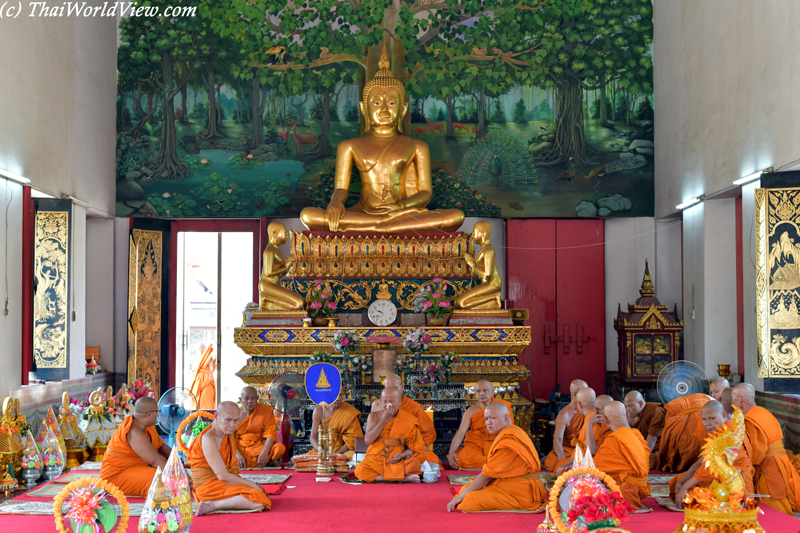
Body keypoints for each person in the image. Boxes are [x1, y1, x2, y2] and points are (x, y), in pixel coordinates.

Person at [299, 41, 463, 235]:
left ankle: (382, 226)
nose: (384, 109)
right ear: (364, 109)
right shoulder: (349, 146)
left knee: (455, 216)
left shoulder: (417, 146)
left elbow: (425, 193)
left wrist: (400, 208)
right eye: (376, 102)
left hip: (401, 214)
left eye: (392, 102)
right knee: (308, 215)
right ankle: (382, 227)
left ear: (402, 109)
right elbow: (341, 189)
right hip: (363, 213)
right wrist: (335, 202)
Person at [447, 403, 547, 512]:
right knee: (466, 489)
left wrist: (461, 497)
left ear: (505, 418)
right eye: (486, 419)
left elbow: (486, 476)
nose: (488, 422)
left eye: (493, 418)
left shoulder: (509, 439)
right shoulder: (510, 432)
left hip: (520, 493)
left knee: (469, 501)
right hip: (509, 484)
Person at [188, 401, 271, 515]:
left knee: (261, 494)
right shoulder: (208, 438)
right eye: (228, 420)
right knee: (259, 498)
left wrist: (250, 485)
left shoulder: (227, 433)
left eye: (236, 420)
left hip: (222, 482)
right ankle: (212, 504)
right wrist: (251, 484)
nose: (232, 425)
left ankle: (222, 502)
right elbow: (223, 476)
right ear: (216, 416)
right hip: (208, 487)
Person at [669, 400, 754, 505]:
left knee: (697, 498)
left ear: (724, 415)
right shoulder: (717, 434)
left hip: (736, 481)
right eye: (704, 419)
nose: (707, 423)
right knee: (678, 482)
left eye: (712, 418)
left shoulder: (730, 433)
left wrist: (685, 486)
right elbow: (701, 462)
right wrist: (682, 482)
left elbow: (710, 469)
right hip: (717, 477)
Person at [732, 383, 800, 514]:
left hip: (769, 466)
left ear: (739, 400)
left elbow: (757, 455)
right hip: (782, 461)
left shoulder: (750, 419)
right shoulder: (764, 412)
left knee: (773, 510)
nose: (732, 403)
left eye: (733, 398)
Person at [100, 397, 172, 496]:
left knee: (169, 472)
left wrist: (176, 461)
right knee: (159, 479)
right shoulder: (133, 431)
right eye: (157, 411)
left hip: (136, 468)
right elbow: (154, 460)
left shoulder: (148, 427)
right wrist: (174, 475)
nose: (158, 414)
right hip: (117, 476)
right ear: (149, 414)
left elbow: (160, 446)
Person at [355, 389, 423, 483]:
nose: (388, 405)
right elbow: (368, 440)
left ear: (399, 401)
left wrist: (402, 455)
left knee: (413, 465)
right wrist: (384, 419)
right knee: (361, 470)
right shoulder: (374, 416)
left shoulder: (408, 419)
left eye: (391, 401)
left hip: (396, 459)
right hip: (376, 458)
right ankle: (403, 478)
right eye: (385, 401)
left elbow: (413, 447)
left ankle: (392, 475)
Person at [592, 401, 651, 509]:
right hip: (640, 488)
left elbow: (595, 467)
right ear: (627, 415)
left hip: (624, 491)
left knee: (582, 488)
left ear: (606, 420)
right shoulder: (637, 434)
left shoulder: (613, 439)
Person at [371, 373, 440, 465]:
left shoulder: (413, 408)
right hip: (381, 451)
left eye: (395, 388)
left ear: (402, 386)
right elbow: (370, 436)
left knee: (432, 460)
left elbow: (427, 437)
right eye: (388, 388)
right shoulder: (377, 405)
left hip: (407, 451)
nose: (391, 391)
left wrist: (407, 453)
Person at [447, 380, 514, 469]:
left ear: (492, 392)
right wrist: (451, 452)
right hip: (476, 445)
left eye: (485, 390)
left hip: (495, 443)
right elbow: (460, 433)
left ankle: (492, 464)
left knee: (507, 458)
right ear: (475, 393)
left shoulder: (502, 407)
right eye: (478, 391)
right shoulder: (471, 411)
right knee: (457, 461)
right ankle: (492, 466)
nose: (481, 394)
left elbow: (510, 430)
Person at [555, 393, 613, 474]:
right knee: (562, 466)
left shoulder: (596, 422)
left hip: (601, 466)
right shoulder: (609, 426)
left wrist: (589, 424)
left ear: (596, 410)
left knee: (565, 471)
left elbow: (592, 451)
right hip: (596, 461)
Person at [656, 393, 713, 472]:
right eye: (713, 391)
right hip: (702, 450)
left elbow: (670, 411)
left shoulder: (702, 397)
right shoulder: (712, 403)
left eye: (716, 391)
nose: (714, 394)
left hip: (678, 427)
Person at [234, 386, 285, 468]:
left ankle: (265, 460)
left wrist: (265, 452)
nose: (250, 401)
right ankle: (267, 462)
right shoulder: (234, 414)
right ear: (240, 400)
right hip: (240, 449)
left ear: (257, 398)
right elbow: (229, 437)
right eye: (246, 398)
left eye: (253, 398)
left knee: (280, 448)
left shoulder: (265, 412)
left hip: (260, 447)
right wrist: (238, 455)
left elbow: (270, 435)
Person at [454, 222, 502, 309]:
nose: (472, 236)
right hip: (486, 284)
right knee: (458, 302)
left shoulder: (488, 250)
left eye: (474, 232)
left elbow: (487, 275)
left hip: (493, 284)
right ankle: (492, 300)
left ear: (483, 233)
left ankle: (494, 298)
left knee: (461, 303)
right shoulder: (484, 249)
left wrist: (472, 266)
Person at [258, 222, 304, 310]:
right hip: (267, 285)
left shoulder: (275, 250)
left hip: (274, 283)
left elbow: (277, 275)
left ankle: (267, 301)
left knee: (302, 304)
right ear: (274, 234)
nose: (287, 236)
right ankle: (266, 302)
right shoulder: (270, 251)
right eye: (285, 233)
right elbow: (269, 273)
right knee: (299, 304)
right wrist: (286, 267)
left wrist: (287, 264)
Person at [543, 379, 588, 471]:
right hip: (567, 451)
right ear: (575, 394)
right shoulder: (564, 415)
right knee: (553, 465)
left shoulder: (588, 410)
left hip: (584, 450)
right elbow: (557, 440)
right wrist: (562, 460)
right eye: (584, 392)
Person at [308, 388, 363, 459]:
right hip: (322, 449)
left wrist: (337, 453)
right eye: (335, 395)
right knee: (306, 461)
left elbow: (353, 439)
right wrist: (322, 452)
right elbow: (312, 436)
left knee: (353, 459)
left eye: (340, 394)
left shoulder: (349, 412)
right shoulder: (319, 410)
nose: (338, 398)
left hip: (343, 451)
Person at [623, 390, 665, 468]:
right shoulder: (632, 415)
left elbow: (652, 439)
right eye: (626, 406)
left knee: (650, 460)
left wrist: (640, 457)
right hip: (641, 448)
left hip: (657, 448)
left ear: (640, 403)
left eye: (630, 406)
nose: (627, 409)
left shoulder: (655, 411)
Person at [189, 343, 216, 410]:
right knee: (195, 403)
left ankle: (207, 419)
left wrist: (215, 345)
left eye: (198, 350)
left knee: (206, 405)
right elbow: (193, 371)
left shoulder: (209, 358)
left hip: (207, 385)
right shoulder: (198, 360)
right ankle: (195, 419)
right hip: (197, 386)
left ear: (204, 349)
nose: (197, 353)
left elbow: (214, 355)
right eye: (196, 351)